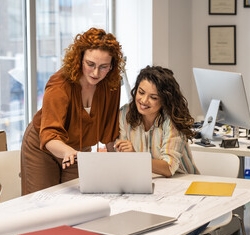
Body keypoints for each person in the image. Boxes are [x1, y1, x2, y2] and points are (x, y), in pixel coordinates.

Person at [21, 28, 124, 195]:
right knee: (42, 204)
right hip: (43, 147)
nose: (96, 73)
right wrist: (68, 151)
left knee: (77, 202)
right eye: (90, 64)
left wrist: (118, 167)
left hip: (79, 150)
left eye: (104, 67)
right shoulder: (60, 84)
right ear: (79, 58)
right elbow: (50, 135)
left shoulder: (111, 85)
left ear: (112, 66)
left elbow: (109, 132)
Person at [115, 65, 199, 177]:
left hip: (181, 182)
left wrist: (135, 157)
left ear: (165, 99)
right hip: (147, 180)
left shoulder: (172, 120)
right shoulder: (125, 113)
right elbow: (122, 156)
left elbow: (168, 168)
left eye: (153, 97)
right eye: (141, 92)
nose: (144, 101)